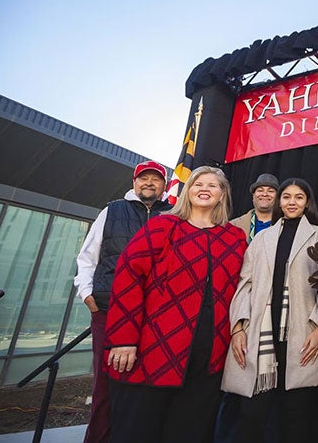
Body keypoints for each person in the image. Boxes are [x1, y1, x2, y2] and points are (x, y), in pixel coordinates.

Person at [104, 166, 247, 443]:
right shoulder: (162, 226)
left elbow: (245, 289)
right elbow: (128, 277)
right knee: (138, 429)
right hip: (154, 349)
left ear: (222, 195)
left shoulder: (234, 238)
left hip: (209, 357)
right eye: (198, 184)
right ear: (188, 191)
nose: (204, 189)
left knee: (191, 431)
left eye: (213, 185)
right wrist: (123, 339)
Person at [219, 178, 318, 443]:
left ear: (307, 202)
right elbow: (244, 285)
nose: (291, 202)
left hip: (301, 334)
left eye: (298, 197)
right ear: (279, 202)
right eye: (286, 197)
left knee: (296, 416)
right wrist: (238, 328)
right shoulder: (261, 238)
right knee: (253, 417)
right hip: (261, 334)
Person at [73, 160, 171, 443]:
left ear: (164, 186)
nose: (149, 183)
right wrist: (87, 295)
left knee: (146, 385)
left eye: (155, 179)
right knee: (104, 387)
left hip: (155, 313)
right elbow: (87, 257)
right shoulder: (112, 210)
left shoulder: (174, 215)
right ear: (134, 182)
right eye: (144, 179)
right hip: (108, 309)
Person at [231, 173, 279, 242]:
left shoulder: (285, 225)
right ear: (253, 196)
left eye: (270, 191)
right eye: (260, 190)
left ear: (277, 197)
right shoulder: (234, 225)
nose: (265, 194)